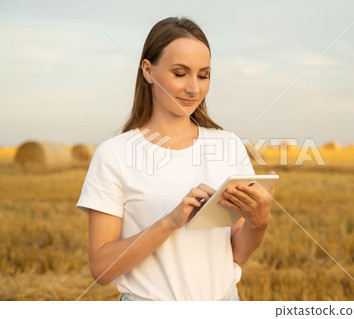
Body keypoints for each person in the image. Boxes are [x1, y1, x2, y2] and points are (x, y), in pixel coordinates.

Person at [76, 17, 276, 301]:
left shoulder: (227, 144)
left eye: (204, 75)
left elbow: (239, 253)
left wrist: (259, 221)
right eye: (180, 73)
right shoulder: (114, 155)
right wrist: (169, 222)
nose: (194, 88)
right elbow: (101, 270)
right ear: (148, 70)